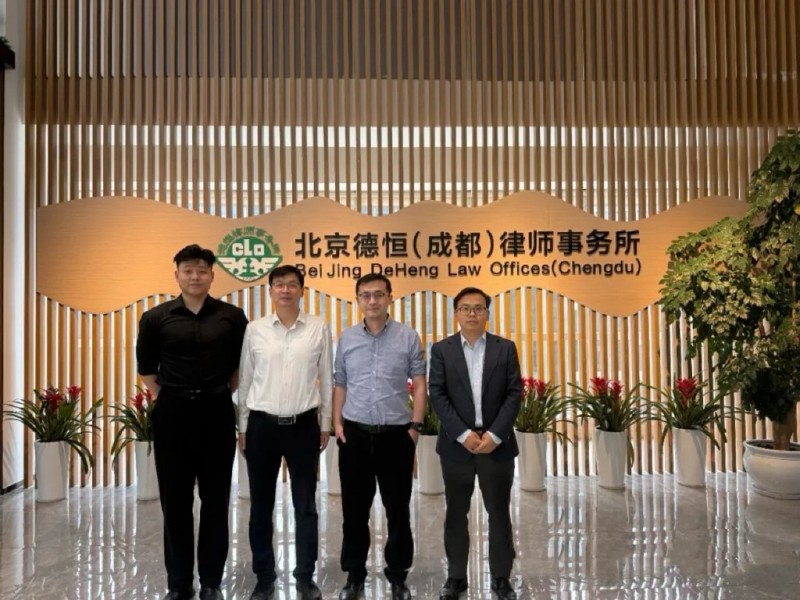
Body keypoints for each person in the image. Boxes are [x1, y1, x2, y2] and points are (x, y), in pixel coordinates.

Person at [136, 244, 249, 600]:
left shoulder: (232, 317)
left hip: (216, 412)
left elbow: (239, 368)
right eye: (188, 270)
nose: (195, 276)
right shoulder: (155, 318)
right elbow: (147, 370)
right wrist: (173, 396)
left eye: (202, 270)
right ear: (177, 275)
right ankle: (179, 583)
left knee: (216, 500)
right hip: (172, 414)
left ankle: (212, 581)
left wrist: (214, 393)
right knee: (175, 502)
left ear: (212, 275)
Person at [237, 265, 333, 600]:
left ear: (301, 290)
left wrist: (325, 424)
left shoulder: (318, 327)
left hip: (303, 426)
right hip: (261, 426)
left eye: (292, 285)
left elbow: (327, 378)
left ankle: (305, 576)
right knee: (260, 507)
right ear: (270, 291)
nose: (286, 290)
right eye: (279, 285)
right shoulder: (255, 330)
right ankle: (264, 577)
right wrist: (243, 427)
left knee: (305, 505)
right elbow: (246, 379)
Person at [332, 273, 427, 600]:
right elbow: (340, 382)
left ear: (389, 297)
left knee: (397, 510)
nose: (372, 301)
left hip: (396, 437)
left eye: (378, 294)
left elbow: (420, 383)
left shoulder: (407, 336)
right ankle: (354, 575)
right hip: (354, 435)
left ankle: (398, 576)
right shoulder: (347, 338)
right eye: (365, 295)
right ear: (358, 299)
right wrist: (337, 423)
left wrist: (415, 427)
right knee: (354, 511)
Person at [428, 287, 522, 600]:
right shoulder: (442, 350)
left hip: (497, 445)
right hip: (457, 446)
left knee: (499, 513)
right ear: (456, 313)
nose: (472, 313)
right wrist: (462, 434)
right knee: (456, 513)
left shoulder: (504, 348)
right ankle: (456, 578)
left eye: (478, 308)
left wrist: (494, 435)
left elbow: (514, 394)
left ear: (487, 313)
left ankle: (501, 579)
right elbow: (437, 394)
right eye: (465, 308)